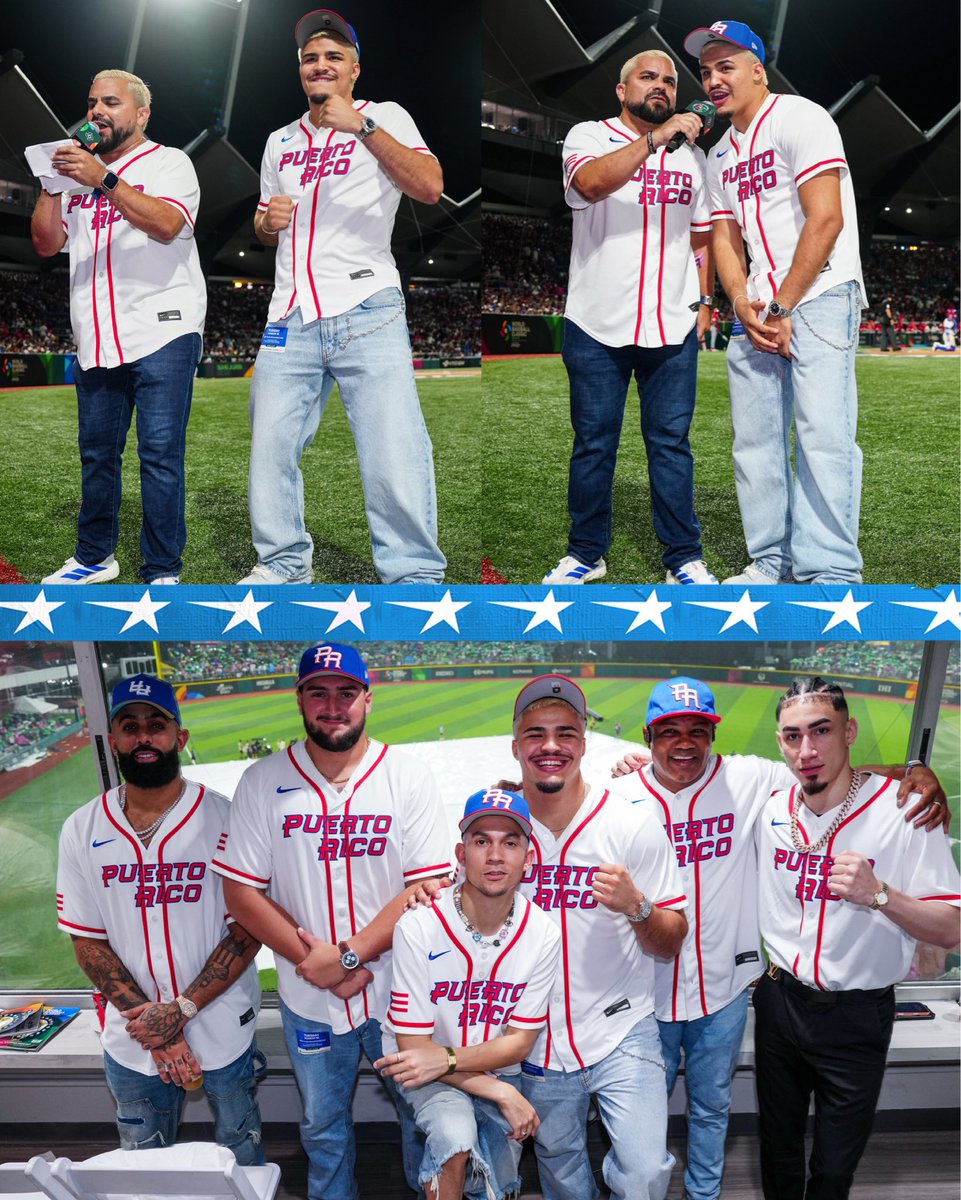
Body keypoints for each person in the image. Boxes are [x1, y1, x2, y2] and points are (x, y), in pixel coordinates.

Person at [611, 676, 949, 1200]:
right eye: (668, 731)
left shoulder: (752, 781)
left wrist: (913, 774)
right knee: (675, 1133)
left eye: (698, 729)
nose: (684, 741)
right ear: (648, 736)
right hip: (673, 994)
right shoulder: (623, 793)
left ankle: (704, 1194)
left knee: (735, 1118)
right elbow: (560, 800)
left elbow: (830, 774)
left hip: (742, 994)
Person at [212, 641, 453, 1200]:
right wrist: (315, 964)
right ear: (299, 700)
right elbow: (240, 891)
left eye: (346, 692)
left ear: (368, 698)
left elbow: (428, 885)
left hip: (401, 990)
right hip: (308, 995)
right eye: (318, 692)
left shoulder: (406, 775)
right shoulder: (262, 779)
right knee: (322, 1127)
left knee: (422, 1118)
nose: (333, 704)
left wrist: (344, 957)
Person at [238, 8, 446, 586]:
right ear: (300, 70)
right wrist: (267, 221)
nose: (320, 65)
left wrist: (363, 128)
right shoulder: (280, 140)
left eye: (334, 56)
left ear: (355, 69)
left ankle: (411, 573)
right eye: (310, 58)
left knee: (392, 448)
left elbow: (430, 187)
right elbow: (263, 221)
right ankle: (282, 562)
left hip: (366, 306)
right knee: (270, 447)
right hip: (289, 314)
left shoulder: (384, 116)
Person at [755, 677, 959, 1199]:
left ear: (850, 731)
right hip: (779, 1001)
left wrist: (880, 896)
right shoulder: (771, 809)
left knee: (833, 1167)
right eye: (793, 736)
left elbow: (954, 930)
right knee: (777, 1151)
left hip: (857, 1012)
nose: (808, 750)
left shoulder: (907, 810)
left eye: (821, 731)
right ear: (779, 743)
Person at [686, 21, 866, 585]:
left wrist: (783, 307)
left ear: (758, 69)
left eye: (726, 66)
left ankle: (829, 570)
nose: (713, 80)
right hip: (759, 307)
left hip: (819, 294)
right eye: (705, 70)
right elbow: (723, 237)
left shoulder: (801, 117)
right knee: (757, 442)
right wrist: (740, 300)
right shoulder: (718, 156)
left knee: (823, 436)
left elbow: (827, 218)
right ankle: (771, 562)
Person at [55, 675, 264, 1161]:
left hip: (221, 1022)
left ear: (180, 737)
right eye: (130, 726)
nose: (144, 737)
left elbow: (248, 930)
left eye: (157, 725)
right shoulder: (82, 827)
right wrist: (153, 1023)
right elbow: (86, 940)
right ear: (114, 742)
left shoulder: (226, 818)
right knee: (140, 1163)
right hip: (133, 1039)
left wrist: (180, 1011)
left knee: (242, 1153)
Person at [542, 49, 719, 588]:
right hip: (597, 323)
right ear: (622, 90)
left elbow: (702, 235)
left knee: (671, 445)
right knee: (595, 444)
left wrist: (706, 300)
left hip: (671, 323)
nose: (661, 86)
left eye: (669, 80)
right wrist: (653, 140)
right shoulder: (588, 136)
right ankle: (586, 553)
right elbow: (591, 185)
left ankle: (684, 558)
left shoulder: (694, 158)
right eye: (648, 78)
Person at [512, 675, 688, 1200]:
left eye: (565, 733)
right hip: (532, 1036)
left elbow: (671, 940)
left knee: (644, 1173)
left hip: (622, 1027)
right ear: (516, 745)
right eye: (536, 734)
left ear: (583, 744)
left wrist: (638, 906)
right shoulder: (497, 828)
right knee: (561, 1171)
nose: (551, 746)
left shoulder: (631, 822)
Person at [32, 71, 204, 586]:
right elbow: (45, 244)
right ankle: (93, 557)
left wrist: (100, 179)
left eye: (111, 101)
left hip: (163, 328)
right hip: (96, 335)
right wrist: (51, 183)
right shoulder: (78, 174)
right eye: (91, 103)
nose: (97, 111)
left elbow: (167, 224)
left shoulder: (170, 162)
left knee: (159, 456)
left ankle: (162, 569)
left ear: (142, 114)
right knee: (97, 454)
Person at [376, 788, 561, 1200]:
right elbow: (414, 1051)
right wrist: (500, 1090)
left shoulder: (543, 933)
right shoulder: (419, 924)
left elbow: (519, 1043)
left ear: (528, 859)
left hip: (478, 1062)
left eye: (510, 843)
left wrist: (456, 1061)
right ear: (460, 856)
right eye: (482, 842)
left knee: (497, 1177)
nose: (495, 856)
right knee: (455, 1138)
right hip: (422, 1067)